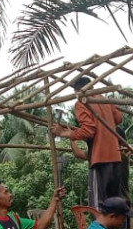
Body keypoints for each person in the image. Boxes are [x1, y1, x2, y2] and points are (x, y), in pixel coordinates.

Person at [51, 76, 124, 209]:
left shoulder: (82, 103)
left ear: (80, 91)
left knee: (99, 204)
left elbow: (89, 130)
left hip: (100, 158)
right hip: (116, 156)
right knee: (114, 202)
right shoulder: (105, 100)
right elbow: (118, 118)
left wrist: (64, 133)